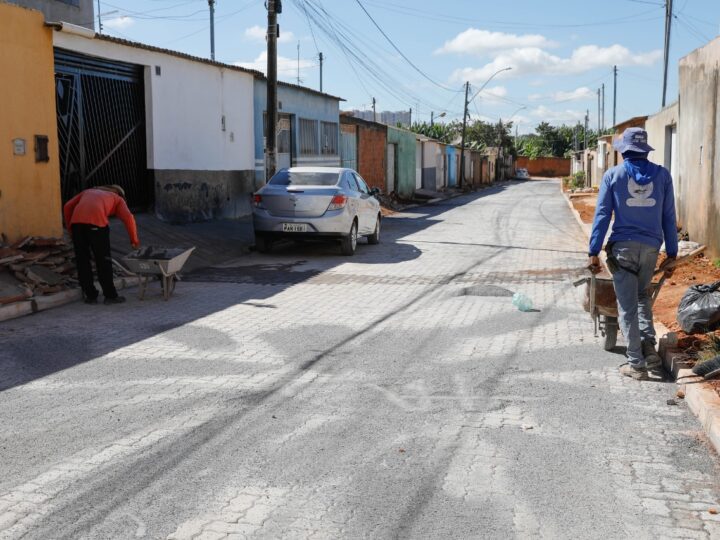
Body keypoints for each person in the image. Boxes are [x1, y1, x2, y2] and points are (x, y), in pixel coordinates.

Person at [588, 127, 678, 380]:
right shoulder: (662, 175)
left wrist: (593, 251)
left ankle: (636, 364)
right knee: (641, 298)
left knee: (627, 306)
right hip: (651, 249)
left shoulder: (613, 175)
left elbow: (603, 215)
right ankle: (649, 348)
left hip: (623, 250)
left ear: (623, 150)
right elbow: (669, 217)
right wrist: (672, 252)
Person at [63, 185, 140, 305]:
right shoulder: (117, 198)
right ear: (121, 195)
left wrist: (70, 229)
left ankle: (90, 296)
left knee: (82, 260)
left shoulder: (88, 191)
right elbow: (129, 218)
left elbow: (67, 206)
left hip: (77, 225)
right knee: (103, 260)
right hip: (97, 225)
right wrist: (134, 241)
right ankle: (110, 296)